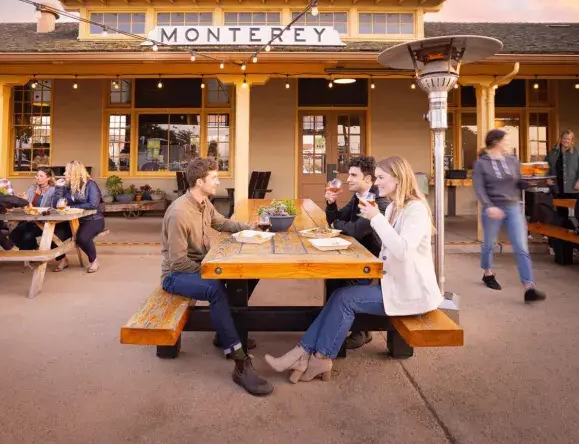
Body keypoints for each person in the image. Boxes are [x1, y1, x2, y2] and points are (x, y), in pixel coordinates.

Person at [265, 156, 442, 383]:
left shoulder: (414, 209)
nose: (376, 183)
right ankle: (308, 355)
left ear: (398, 178)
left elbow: (403, 250)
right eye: (376, 177)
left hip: (411, 294)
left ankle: (313, 355)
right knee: (340, 293)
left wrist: (376, 218)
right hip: (392, 285)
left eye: (380, 178)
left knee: (344, 298)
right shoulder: (394, 209)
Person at [160, 157, 272, 396]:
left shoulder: (203, 203)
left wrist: (249, 227)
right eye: (214, 178)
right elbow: (177, 262)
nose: (218, 182)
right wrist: (213, 269)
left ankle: (226, 333)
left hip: (200, 265)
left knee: (246, 274)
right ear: (200, 181)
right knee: (215, 289)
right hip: (176, 275)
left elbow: (220, 223)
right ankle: (240, 361)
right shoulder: (179, 213)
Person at [473, 129, 547, 302]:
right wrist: (489, 206)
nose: (508, 143)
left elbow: (518, 182)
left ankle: (529, 287)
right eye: (506, 140)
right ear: (496, 142)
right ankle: (488, 273)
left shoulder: (513, 161)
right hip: (492, 207)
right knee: (489, 244)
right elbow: (479, 188)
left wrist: (537, 180)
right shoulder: (481, 164)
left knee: (521, 246)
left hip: (513, 206)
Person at [324, 155, 389, 349]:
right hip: (359, 253)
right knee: (333, 277)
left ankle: (348, 330)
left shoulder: (378, 200)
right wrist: (330, 203)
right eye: (348, 174)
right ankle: (340, 327)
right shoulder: (360, 196)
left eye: (353, 175)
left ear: (368, 179)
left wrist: (337, 224)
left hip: (375, 261)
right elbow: (338, 218)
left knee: (339, 281)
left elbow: (355, 229)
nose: (348, 179)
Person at [9, 166, 68, 271]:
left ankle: (62, 260)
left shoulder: (53, 190)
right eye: (37, 175)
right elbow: (28, 206)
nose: (38, 178)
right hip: (31, 220)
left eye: (41, 176)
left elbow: (55, 207)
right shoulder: (32, 188)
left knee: (27, 236)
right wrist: (23, 200)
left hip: (46, 221)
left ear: (48, 178)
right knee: (14, 235)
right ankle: (33, 252)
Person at [54, 161, 104, 273]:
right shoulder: (66, 186)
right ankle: (63, 259)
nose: (64, 173)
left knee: (82, 238)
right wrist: (58, 189)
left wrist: (71, 207)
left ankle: (94, 260)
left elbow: (93, 204)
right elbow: (56, 205)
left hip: (93, 219)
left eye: (67, 170)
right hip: (72, 220)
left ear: (74, 172)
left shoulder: (90, 184)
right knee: (54, 236)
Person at [546, 130, 579, 197]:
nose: (566, 141)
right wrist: (547, 179)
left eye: (568, 139)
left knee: (575, 206)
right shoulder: (553, 153)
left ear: (572, 141)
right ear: (561, 139)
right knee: (560, 206)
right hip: (557, 186)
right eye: (564, 138)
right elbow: (546, 166)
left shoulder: (577, 154)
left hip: (573, 186)